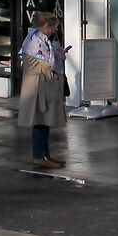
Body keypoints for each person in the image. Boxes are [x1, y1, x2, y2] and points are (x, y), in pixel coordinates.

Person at [18, 10, 67, 167]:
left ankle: (45, 154)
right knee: (40, 120)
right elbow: (51, 64)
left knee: (44, 121)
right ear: (46, 25)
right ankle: (39, 156)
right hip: (38, 86)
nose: (54, 31)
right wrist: (61, 55)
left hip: (41, 83)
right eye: (53, 28)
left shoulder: (38, 38)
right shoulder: (36, 41)